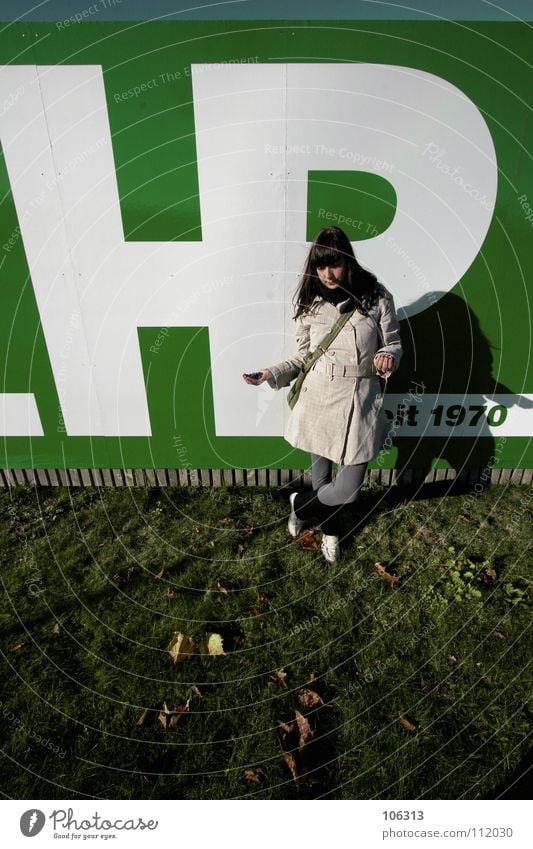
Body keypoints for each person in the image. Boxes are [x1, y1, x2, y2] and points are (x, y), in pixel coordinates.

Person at [243, 226, 402, 562]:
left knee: (348, 488)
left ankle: (299, 505)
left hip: (360, 398)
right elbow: (303, 355)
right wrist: (272, 373)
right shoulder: (310, 303)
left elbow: (393, 342)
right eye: (320, 266)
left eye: (335, 265)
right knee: (322, 480)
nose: (328, 274)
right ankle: (331, 531)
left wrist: (388, 356)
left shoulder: (376, 297)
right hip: (319, 396)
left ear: (348, 262)